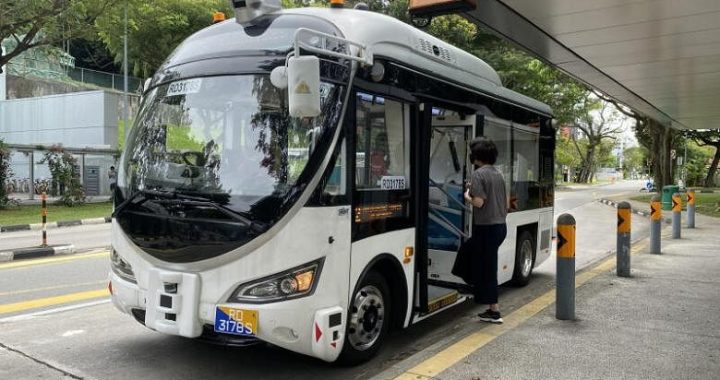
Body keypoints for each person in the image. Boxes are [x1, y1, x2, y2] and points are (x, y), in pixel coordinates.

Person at [463, 137, 508, 324]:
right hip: (500, 227)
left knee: (487, 268)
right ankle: (482, 297)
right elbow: (504, 202)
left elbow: (479, 202)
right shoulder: (498, 174)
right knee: (475, 257)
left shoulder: (478, 174)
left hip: (486, 228)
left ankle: (494, 311)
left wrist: (467, 196)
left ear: (476, 156)